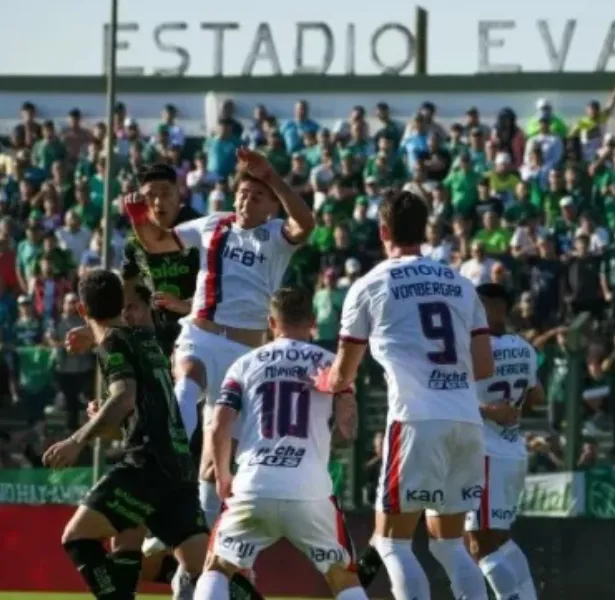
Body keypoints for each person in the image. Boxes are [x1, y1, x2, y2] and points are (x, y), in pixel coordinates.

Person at [122, 147, 315, 535]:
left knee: (216, 459)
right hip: (201, 332)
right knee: (187, 378)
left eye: (257, 195)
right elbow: (157, 243)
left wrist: (272, 176)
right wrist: (138, 216)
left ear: (271, 207)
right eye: (243, 193)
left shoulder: (277, 235)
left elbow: (306, 223)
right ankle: (167, 458)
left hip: (245, 352)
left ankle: (201, 549)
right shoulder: (213, 225)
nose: (246, 199)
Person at [322, 190, 495, 600]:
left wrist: (325, 382)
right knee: (449, 544)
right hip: (467, 419)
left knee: (392, 542)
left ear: (383, 231)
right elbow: (484, 366)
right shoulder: (460, 283)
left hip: (415, 419)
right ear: (425, 229)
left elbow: (344, 371)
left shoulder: (370, 285)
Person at [43, 269, 208, 599]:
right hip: (178, 465)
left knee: (76, 538)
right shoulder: (145, 340)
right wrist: (106, 416)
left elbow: (124, 396)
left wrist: (77, 440)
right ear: (122, 305)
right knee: (202, 570)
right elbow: (136, 405)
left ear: (82, 310)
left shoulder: (115, 343)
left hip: (146, 463)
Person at [193, 287, 365, 600]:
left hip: (253, 483)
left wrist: (222, 475)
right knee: (341, 576)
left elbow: (219, 424)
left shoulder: (245, 364)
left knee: (218, 565)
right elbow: (347, 430)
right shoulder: (330, 365)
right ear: (313, 321)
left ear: (271, 323)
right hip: (309, 489)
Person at [465, 282, 544, 600]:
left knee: (479, 544)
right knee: (501, 539)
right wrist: (513, 406)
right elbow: (538, 395)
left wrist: (489, 409)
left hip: (485, 454)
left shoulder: (474, 348)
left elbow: (453, 397)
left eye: (481, 303)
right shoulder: (524, 347)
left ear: (499, 308)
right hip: (512, 451)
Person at [121, 163, 202, 355]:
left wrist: (187, 306)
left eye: (166, 194)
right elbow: (128, 284)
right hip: (157, 334)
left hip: (199, 330)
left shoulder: (199, 229)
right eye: (150, 196)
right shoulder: (134, 239)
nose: (158, 202)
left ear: (179, 193)